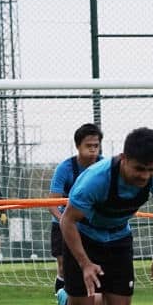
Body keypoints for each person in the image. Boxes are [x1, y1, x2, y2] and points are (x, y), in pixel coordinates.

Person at [38, 127, 153, 305]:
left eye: (150, 169)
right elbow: (67, 220)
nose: (145, 176)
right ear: (123, 158)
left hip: (119, 238)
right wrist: (84, 263)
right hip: (84, 237)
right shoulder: (95, 180)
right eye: (139, 169)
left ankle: (69, 298)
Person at [48, 123, 104, 292]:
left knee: (96, 262)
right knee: (64, 266)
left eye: (96, 146)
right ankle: (61, 299)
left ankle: (94, 298)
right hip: (64, 223)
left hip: (91, 224)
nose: (93, 150)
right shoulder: (65, 169)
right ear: (78, 146)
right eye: (88, 146)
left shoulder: (105, 166)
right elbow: (52, 203)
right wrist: (65, 220)